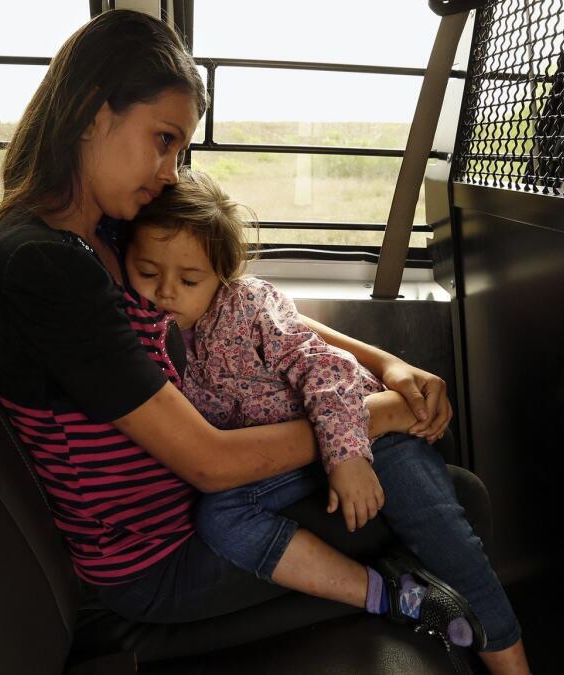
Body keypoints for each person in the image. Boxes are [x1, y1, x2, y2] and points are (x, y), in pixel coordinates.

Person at [0, 8, 525, 673]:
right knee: (453, 493)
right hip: (162, 561)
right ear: (94, 110)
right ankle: (435, 614)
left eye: (179, 149)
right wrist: (380, 414)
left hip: (201, 507)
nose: (170, 170)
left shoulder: (111, 234)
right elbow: (211, 463)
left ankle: (450, 613)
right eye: (163, 139)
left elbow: (245, 308)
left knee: (435, 480)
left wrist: (387, 364)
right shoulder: (42, 267)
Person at [122, 168, 531, 674]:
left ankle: (511, 660)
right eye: (146, 272)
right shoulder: (144, 332)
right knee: (221, 517)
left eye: (188, 280)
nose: (165, 292)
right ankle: (387, 592)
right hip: (286, 460)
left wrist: (349, 456)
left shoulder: (248, 306)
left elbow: (327, 368)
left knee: (445, 536)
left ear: (221, 275)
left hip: (366, 435)